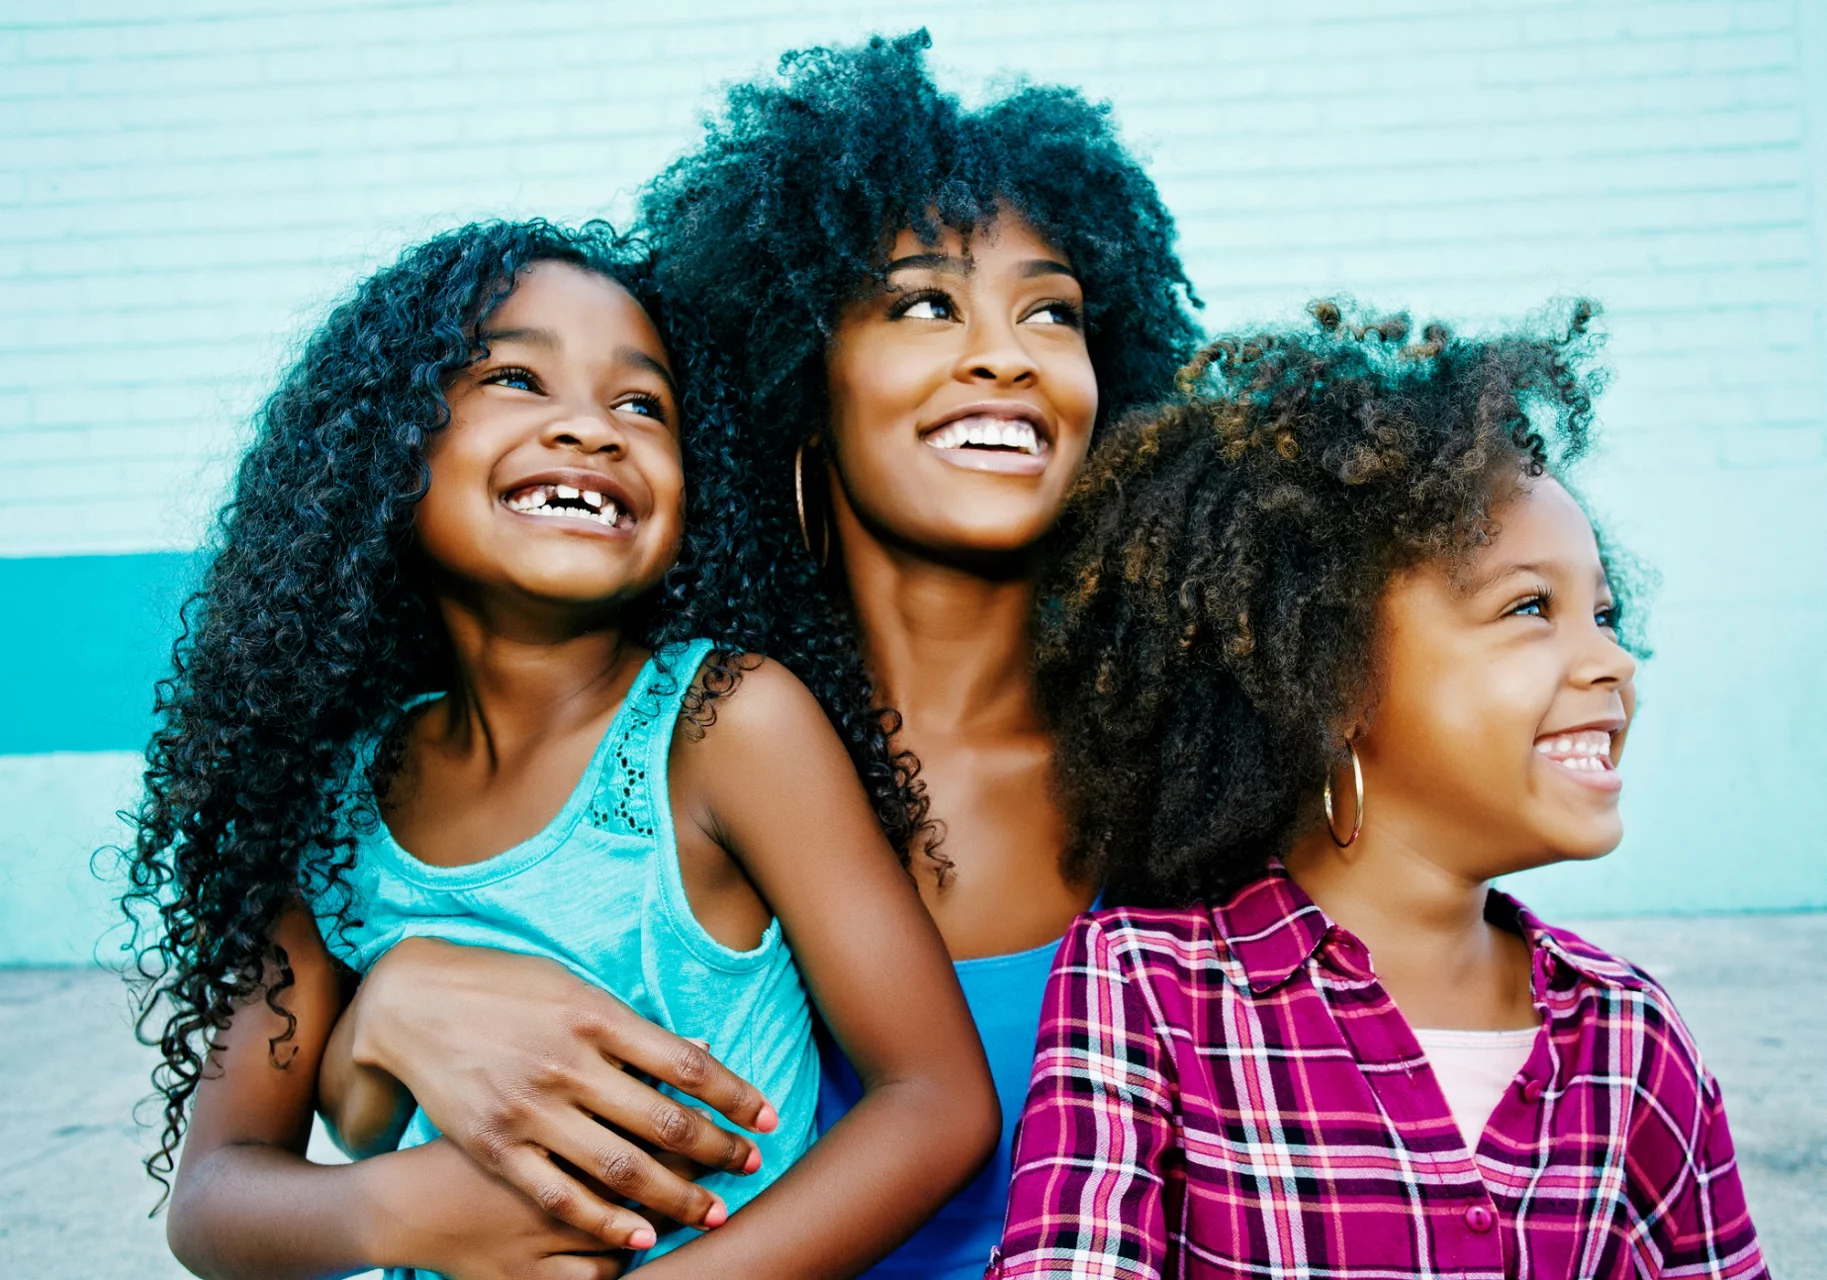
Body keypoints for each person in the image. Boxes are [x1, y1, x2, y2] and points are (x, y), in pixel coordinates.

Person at [309, 32, 1202, 1280]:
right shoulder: (684, 745)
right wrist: (381, 1015)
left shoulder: (1204, 754)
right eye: (925, 302)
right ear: (799, 385)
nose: (1006, 353)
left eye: (1052, 310)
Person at [121, 218, 998, 1280]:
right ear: (386, 444)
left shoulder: (726, 724)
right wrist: (396, 1206)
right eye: (516, 379)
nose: (591, 428)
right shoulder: (333, 799)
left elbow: (938, 1103)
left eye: (643, 403)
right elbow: (212, 1199)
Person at [992, 302, 1768, 1279]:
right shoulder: (1144, 988)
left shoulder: (1635, 1041)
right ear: (1335, 673)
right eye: (1531, 605)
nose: (1612, 659)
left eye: (1606, 613)